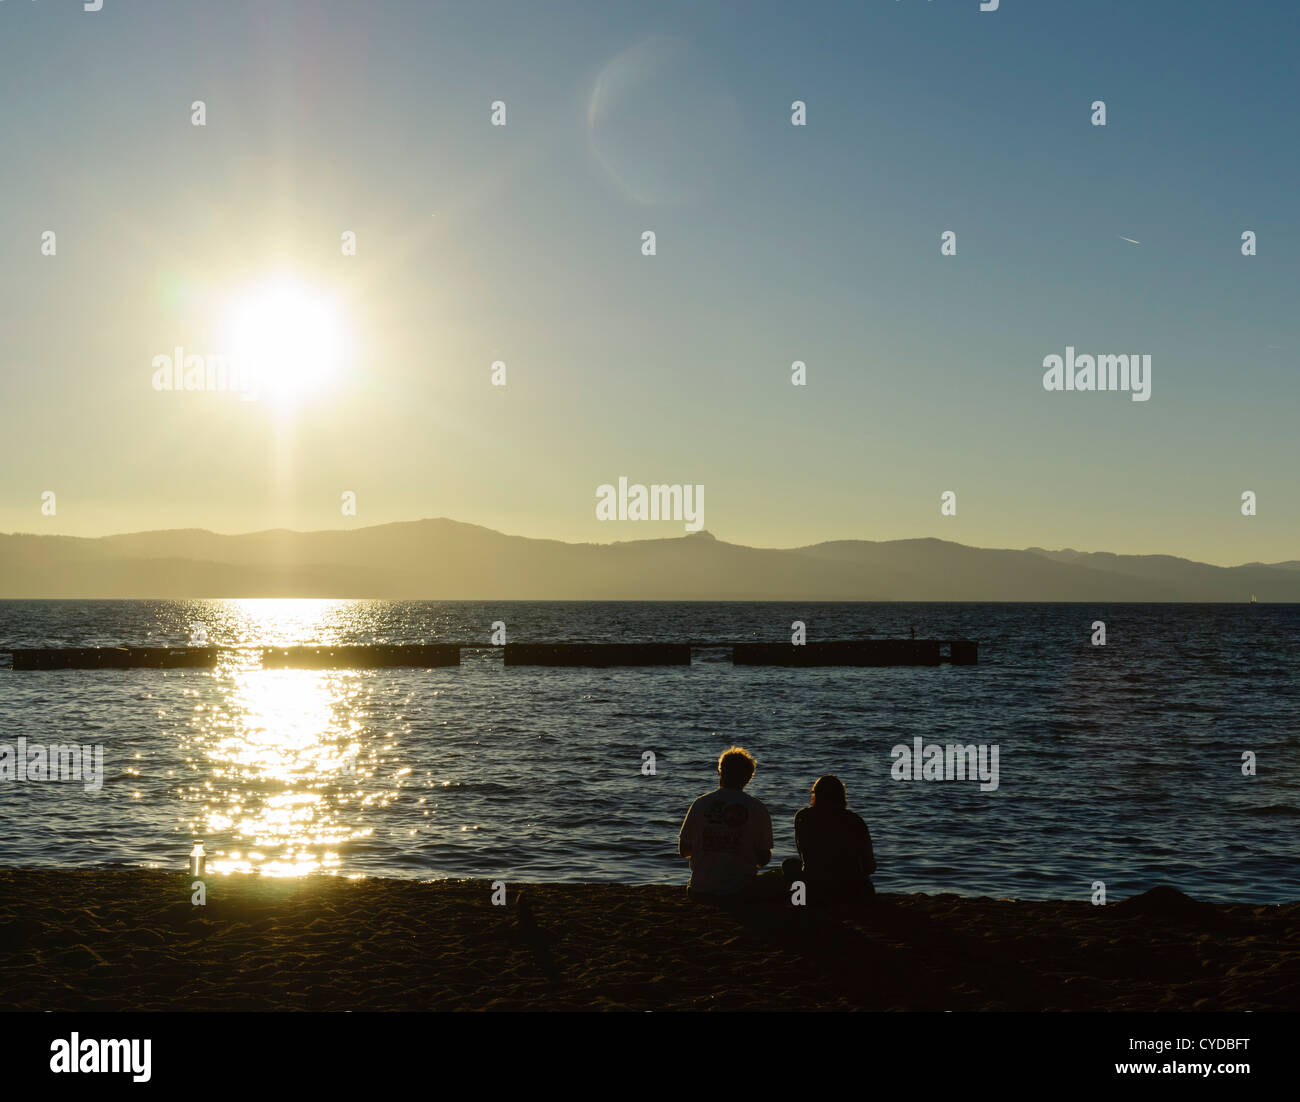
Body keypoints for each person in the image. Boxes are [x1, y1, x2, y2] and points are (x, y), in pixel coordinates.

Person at [678, 746, 774, 899]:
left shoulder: (700, 803)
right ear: (749, 777)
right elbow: (763, 859)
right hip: (740, 891)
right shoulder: (757, 808)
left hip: (700, 890)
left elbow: (684, 850)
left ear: (720, 771)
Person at [792, 774, 876, 903]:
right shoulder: (855, 820)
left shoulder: (803, 817)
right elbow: (870, 867)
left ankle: (800, 904)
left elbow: (804, 855)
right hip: (849, 887)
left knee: (790, 865)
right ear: (841, 795)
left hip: (814, 885)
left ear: (816, 795)